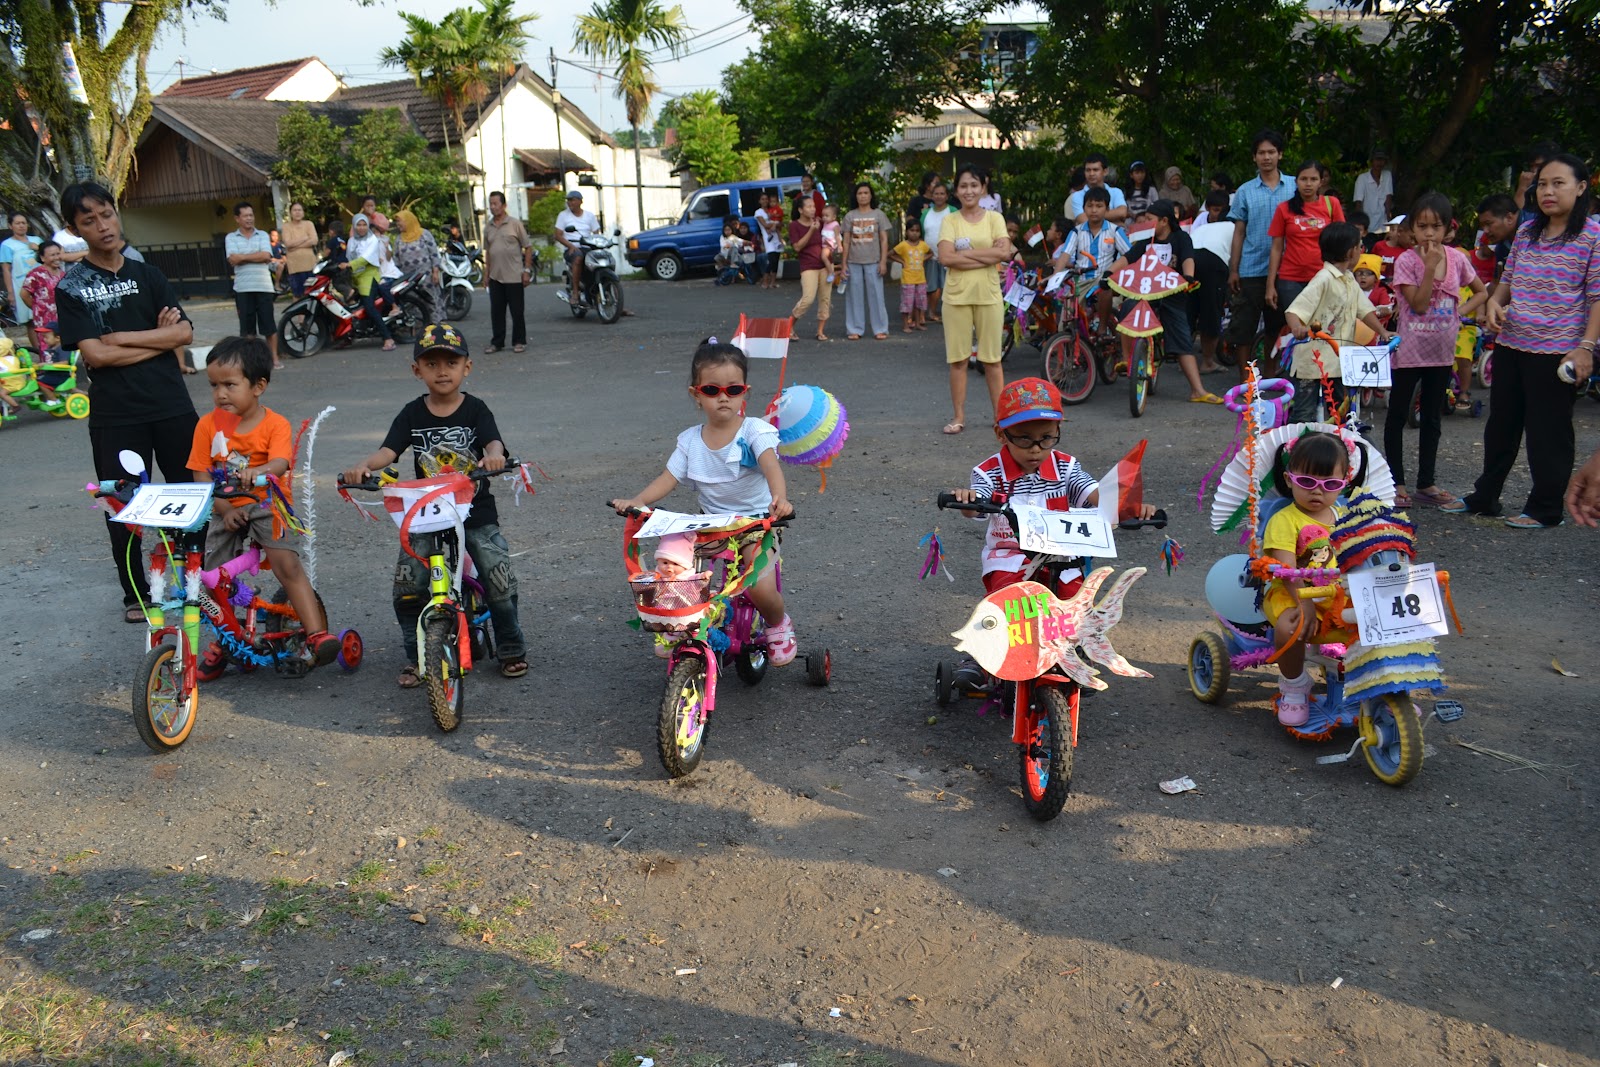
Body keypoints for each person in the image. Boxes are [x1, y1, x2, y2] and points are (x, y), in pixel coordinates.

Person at [342, 322, 528, 684]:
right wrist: (364, 466)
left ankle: (510, 646)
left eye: (451, 362)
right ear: (417, 371)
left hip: (474, 510)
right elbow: (388, 451)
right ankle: (417, 656)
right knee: (408, 585)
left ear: (467, 367)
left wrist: (492, 456)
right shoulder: (412, 413)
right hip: (426, 513)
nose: (442, 370)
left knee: (497, 575)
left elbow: (493, 444)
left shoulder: (476, 410)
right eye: (431, 363)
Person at [945, 376, 1156, 689]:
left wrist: (1127, 506)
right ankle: (982, 658)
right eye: (1025, 439)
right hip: (1010, 556)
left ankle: (1068, 653)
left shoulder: (1066, 467)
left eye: (1046, 438)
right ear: (1001, 434)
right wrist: (969, 500)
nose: (1036, 449)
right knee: (1005, 604)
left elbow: (1096, 497)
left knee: (1075, 605)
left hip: (1060, 554)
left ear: (1058, 432)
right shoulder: (988, 471)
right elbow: (976, 503)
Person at [55, 181, 198, 623]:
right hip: (116, 415)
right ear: (74, 229)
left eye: (107, 214)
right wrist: (158, 341)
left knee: (191, 497)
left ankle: (194, 583)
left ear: (117, 214)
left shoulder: (149, 275)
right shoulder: (72, 286)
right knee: (124, 508)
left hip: (171, 404)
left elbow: (184, 333)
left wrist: (123, 339)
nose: (102, 226)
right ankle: (136, 594)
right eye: (89, 220)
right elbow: (94, 355)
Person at [608, 339, 800, 665]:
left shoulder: (753, 431)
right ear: (696, 394)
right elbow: (667, 479)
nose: (723, 397)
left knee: (760, 586)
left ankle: (778, 624)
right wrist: (636, 502)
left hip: (756, 522)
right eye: (712, 390)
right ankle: (676, 624)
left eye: (733, 389)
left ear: (745, 392)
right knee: (670, 566)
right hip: (709, 524)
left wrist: (780, 499)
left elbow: (771, 467)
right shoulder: (689, 441)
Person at [1448, 154, 1600, 529]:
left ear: (1581, 188)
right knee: (1501, 424)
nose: (1547, 191)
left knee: (1548, 430)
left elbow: (1598, 297)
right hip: (1513, 342)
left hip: (1557, 348)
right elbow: (1507, 282)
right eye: (1542, 184)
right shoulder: (1527, 233)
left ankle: (1546, 508)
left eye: (1558, 183)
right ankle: (1486, 496)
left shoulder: (1593, 237)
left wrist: (1586, 347)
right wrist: (1496, 307)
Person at [188, 336, 339, 671]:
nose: (220, 394)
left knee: (287, 565)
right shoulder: (207, 425)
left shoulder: (275, 424)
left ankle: (316, 635)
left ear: (258, 386)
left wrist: (256, 473)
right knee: (211, 577)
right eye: (214, 385)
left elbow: (280, 463)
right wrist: (225, 510)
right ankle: (225, 638)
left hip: (266, 501)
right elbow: (201, 477)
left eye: (230, 384)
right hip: (224, 507)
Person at [1385, 192, 1486, 510]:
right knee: (1398, 414)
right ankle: (1395, 482)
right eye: (1422, 226)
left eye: (1436, 226)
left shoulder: (1457, 258)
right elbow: (1417, 303)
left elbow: (1482, 292)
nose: (1429, 233)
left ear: (1447, 229)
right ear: (1411, 229)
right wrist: (1429, 268)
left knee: (1432, 416)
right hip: (1411, 349)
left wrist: (1461, 314)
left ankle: (1425, 483)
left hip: (1442, 351)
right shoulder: (1407, 261)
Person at [1262, 432, 1350, 726]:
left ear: (1344, 483)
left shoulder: (1345, 518)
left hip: (1333, 592)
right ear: (1289, 479)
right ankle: (1294, 685)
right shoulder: (1284, 520)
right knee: (1291, 624)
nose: (1318, 492)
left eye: (1330, 485)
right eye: (1308, 482)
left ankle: (1371, 681)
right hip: (1290, 591)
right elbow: (1286, 570)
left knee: (1373, 618)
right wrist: (1306, 603)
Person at [1105, 200, 1223, 404]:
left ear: (1164, 221)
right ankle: (1126, 358)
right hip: (1144, 293)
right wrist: (1109, 272)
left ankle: (1197, 390)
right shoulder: (1146, 241)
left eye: (1150, 219)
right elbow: (1128, 258)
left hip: (1172, 295)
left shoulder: (1181, 238)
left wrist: (1188, 276)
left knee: (1182, 340)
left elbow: (1188, 258)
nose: (1146, 222)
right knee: (1128, 309)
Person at [1282, 222, 1392, 423]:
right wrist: (1297, 327)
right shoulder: (1323, 279)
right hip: (1313, 362)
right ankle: (1297, 449)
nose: (1361, 251)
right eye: (1360, 247)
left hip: (1340, 362)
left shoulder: (1349, 278)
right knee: (1303, 415)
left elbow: (1364, 310)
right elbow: (1294, 310)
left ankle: (1338, 449)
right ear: (1350, 252)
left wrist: (1383, 332)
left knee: (1342, 412)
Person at [938, 164, 1014, 435]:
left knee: (992, 360)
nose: (968, 190)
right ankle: (958, 417)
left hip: (989, 295)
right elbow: (945, 258)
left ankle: (1000, 418)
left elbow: (1004, 254)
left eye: (974, 185)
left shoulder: (995, 219)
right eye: (963, 186)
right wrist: (986, 255)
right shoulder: (950, 220)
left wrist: (967, 256)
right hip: (956, 298)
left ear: (983, 188)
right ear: (956, 190)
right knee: (958, 360)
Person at [1226, 129, 1295, 381]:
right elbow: (1239, 232)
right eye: (1261, 153)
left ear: (1280, 155)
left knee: (1276, 328)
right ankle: (1247, 382)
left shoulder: (1296, 187)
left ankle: (1270, 376)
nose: (1267, 157)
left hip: (1287, 269)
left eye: (1271, 152)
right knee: (1243, 327)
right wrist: (1234, 269)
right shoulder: (1244, 191)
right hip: (1251, 268)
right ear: (1254, 157)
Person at [1267, 160, 1345, 315]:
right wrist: (1270, 286)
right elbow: (1276, 248)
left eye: (1313, 179)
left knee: (1324, 326)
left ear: (1321, 182)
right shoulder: (1284, 208)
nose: (1308, 184)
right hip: (1290, 279)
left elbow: (1343, 241)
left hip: (1324, 277)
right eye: (1303, 179)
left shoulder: (1332, 204)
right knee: (1298, 328)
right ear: (1296, 181)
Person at [1052, 186, 1129, 342]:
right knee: (1064, 324)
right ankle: (1064, 359)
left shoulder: (1115, 231)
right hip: (1080, 280)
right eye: (1090, 206)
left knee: (1105, 285)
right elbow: (1064, 256)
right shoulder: (1077, 231)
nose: (1094, 210)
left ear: (1106, 209)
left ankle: (1102, 328)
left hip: (1104, 277)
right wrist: (1054, 278)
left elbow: (1129, 254)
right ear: (1084, 208)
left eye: (1099, 206)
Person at [224, 202, 281, 370]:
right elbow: (232, 259)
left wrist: (243, 257)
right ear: (237, 218)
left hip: (263, 286)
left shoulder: (262, 235)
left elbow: (266, 256)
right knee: (247, 329)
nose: (249, 218)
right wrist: (255, 256)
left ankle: (274, 358)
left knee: (269, 325)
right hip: (243, 288)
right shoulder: (231, 238)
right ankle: (251, 361)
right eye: (245, 216)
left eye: (251, 215)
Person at [1189, 191, 1235, 372]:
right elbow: (1236, 259)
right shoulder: (1234, 228)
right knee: (1212, 312)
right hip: (1212, 261)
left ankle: (1186, 360)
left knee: (1189, 311)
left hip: (1189, 261)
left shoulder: (1202, 228)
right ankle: (1207, 362)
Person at [842, 182, 892, 341]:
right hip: (853, 261)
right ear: (855, 196)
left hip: (874, 261)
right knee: (854, 296)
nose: (863, 196)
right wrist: (843, 264)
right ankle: (855, 329)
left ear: (871, 195)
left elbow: (884, 240)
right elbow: (846, 242)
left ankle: (880, 328)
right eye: (859, 193)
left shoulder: (879, 214)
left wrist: (883, 261)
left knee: (877, 296)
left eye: (866, 193)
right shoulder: (850, 216)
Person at [484, 190, 532, 354]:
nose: (492, 207)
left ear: (504, 205)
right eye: (490, 204)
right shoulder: (488, 227)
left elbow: (528, 247)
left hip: (514, 275)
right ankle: (497, 342)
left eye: (495, 203)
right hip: (495, 276)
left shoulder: (515, 224)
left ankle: (519, 341)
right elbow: (488, 252)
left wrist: (526, 270)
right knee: (496, 312)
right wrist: (486, 274)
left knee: (517, 311)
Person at [345, 213, 397, 352]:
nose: (361, 228)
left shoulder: (372, 239)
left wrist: (350, 264)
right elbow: (349, 256)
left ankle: (388, 338)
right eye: (358, 225)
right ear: (354, 226)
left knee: (369, 307)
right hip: (356, 277)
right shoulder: (351, 241)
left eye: (364, 225)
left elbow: (366, 258)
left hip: (369, 276)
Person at [788, 195, 832, 342]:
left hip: (825, 265)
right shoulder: (794, 225)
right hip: (808, 266)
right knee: (808, 298)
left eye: (813, 206)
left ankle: (820, 331)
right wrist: (812, 230)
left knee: (825, 299)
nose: (813, 209)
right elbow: (797, 247)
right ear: (800, 210)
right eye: (809, 206)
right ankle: (789, 326)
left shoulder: (820, 221)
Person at [554, 189, 601, 314]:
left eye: (572, 200)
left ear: (580, 201)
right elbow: (558, 235)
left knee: (603, 259)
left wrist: (598, 243)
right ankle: (575, 292)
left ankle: (611, 296)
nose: (570, 202)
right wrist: (570, 246)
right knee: (578, 257)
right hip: (572, 248)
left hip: (587, 247)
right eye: (568, 200)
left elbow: (596, 233)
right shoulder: (563, 215)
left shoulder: (590, 216)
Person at [1, 212, 42, 344]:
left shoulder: (37, 241)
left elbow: (49, 256)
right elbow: (6, 269)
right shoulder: (7, 245)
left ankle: (52, 349)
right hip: (21, 285)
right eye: (17, 223)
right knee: (30, 321)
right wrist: (11, 293)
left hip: (41, 283)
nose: (21, 226)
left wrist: (38, 249)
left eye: (23, 223)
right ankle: (39, 351)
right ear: (10, 226)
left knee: (46, 316)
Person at [393, 209, 443, 314]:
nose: (397, 224)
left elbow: (434, 253)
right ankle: (419, 327)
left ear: (408, 221)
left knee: (430, 300)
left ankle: (436, 327)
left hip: (426, 276)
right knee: (413, 303)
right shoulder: (398, 239)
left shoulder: (424, 234)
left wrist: (435, 272)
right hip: (409, 278)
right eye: (396, 222)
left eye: (399, 221)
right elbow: (396, 259)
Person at [20, 240, 65, 352]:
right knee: (47, 346)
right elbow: (24, 294)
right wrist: (37, 308)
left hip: (62, 317)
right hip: (44, 318)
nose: (56, 257)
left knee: (62, 346)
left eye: (58, 254)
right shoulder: (36, 274)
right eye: (52, 255)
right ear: (43, 257)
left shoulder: (63, 274)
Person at [921, 180, 955, 323]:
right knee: (932, 286)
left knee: (949, 286)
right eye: (936, 193)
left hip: (950, 255)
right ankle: (932, 312)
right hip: (930, 255)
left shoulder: (953, 211)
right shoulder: (926, 213)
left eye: (942, 193)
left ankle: (950, 313)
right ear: (932, 195)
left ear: (947, 196)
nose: (939, 196)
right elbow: (922, 232)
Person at [892, 219, 932, 332]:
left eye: (917, 231)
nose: (914, 233)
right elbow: (890, 254)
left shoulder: (923, 245)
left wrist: (923, 259)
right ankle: (905, 325)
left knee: (919, 302)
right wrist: (902, 262)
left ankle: (918, 323)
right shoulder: (903, 245)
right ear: (906, 232)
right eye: (912, 230)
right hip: (908, 279)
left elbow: (931, 253)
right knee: (907, 303)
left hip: (920, 279)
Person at [1066, 153, 1129, 224]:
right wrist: (1115, 220)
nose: (1091, 174)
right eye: (1088, 170)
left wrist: (1092, 216)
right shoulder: (1077, 196)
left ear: (1105, 171)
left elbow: (1122, 212)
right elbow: (1085, 221)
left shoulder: (1116, 192)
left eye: (1095, 170)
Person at [280, 202, 319, 297]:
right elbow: (288, 244)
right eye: (294, 210)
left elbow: (314, 241)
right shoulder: (286, 226)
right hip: (295, 267)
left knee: (313, 294)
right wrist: (305, 238)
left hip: (310, 266)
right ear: (290, 213)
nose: (297, 212)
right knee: (297, 296)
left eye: (299, 210)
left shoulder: (309, 224)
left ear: (303, 212)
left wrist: (295, 246)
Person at [1352, 152, 1395, 236]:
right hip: (1368, 221)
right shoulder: (1362, 178)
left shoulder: (1387, 175)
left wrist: (1388, 218)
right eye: (1377, 160)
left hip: (1383, 221)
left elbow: (1388, 197)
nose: (1379, 163)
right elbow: (1358, 202)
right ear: (1372, 162)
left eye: (1382, 160)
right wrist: (1360, 222)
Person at [1353, 253, 1393, 323]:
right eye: (1359, 273)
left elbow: (1387, 309)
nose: (1363, 276)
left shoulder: (1381, 291)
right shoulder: (1352, 289)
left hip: (1373, 328)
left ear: (1376, 278)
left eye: (1368, 273)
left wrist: (1375, 313)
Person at [755, 191, 783, 290]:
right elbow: (765, 224)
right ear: (759, 201)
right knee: (771, 260)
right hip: (768, 238)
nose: (765, 201)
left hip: (777, 238)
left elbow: (781, 223)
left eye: (766, 199)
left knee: (776, 260)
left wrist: (777, 224)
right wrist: (775, 224)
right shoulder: (758, 212)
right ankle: (765, 281)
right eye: (763, 199)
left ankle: (773, 282)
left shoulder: (773, 209)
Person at [819, 202, 843, 290]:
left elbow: (837, 236)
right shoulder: (825, 223)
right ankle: (832, 272)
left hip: (830, 245)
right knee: (825, 258)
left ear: (833, 217)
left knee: (824, 257)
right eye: (823, 215)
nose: (824, 217)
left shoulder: (835, 225)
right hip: (825, 244)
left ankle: (831, 273)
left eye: (827, 215)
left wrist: (840, 246)